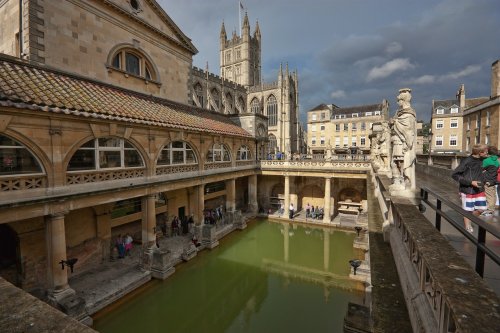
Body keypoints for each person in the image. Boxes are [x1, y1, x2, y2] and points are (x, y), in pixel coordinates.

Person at [452, 144, 488, 233]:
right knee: (468, 210)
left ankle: (467, 218)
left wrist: (486, 180)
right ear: (480, 153)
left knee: (481, 209)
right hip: (467, 190)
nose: (488, 152)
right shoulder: (466, 161)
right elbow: (455, 175)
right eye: (486, 151)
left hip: (479, 189)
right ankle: (467, 225)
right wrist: (471, 182)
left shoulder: (483, 160)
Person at [481, 145, 499, 216]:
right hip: (493, 180)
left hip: (487, 180)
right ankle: (492, 208)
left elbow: (481, 168)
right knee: (493, 195)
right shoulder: (497, 161)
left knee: (489, 195)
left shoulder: (486, 160)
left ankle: (489, 210)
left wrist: (484, 171)